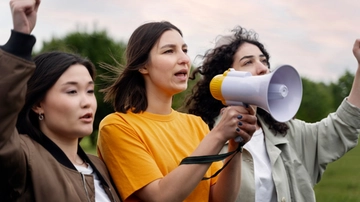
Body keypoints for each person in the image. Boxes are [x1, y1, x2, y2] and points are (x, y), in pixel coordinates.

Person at [184, 26, 360, 202]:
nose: (263, 68)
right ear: (226, 77)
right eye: (248, 62)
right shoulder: (203, 135)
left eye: (264, 61)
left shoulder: (286, 132)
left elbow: (340, 129)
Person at [96, 21, 258, 202]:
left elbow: (221, 199)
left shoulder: (195, 124)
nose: (184, 59)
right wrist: (219, 134)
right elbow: (161, 197)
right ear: (143, 66)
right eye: (169, 51)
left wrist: (235, 144)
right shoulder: (117, 126)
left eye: (185, 50)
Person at [0, 0, 121, 201]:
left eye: (90, 91)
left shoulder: (100, 166)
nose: (87, 102)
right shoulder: (22, 158)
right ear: (38, 104)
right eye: (72, 91)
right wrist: (20, 40)